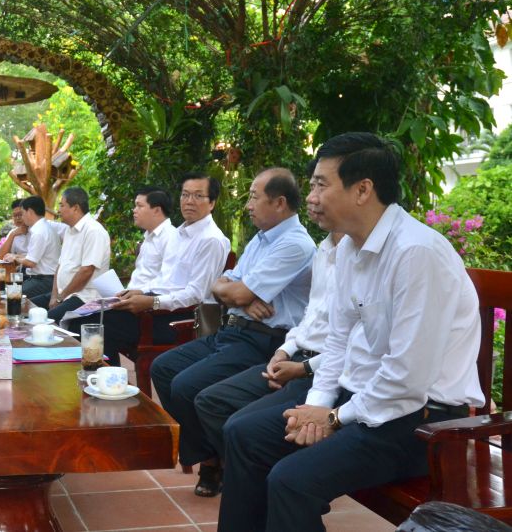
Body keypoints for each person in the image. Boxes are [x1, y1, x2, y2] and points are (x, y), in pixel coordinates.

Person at [218, 133, 484, 532]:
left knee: (291, 481)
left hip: (423, 423)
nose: (311, 197)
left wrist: (334, 418)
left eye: (321, 184)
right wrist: (317, 405)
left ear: (363, 190)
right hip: (363, 402)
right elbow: (339, 342)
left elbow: (406, 379)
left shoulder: (416, 253)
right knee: (243, 434)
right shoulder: (348, 250)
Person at [150, 167, 315, 497]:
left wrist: (239, 293)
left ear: (280, 202)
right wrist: (238, 293)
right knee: (163, 368)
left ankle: (223, 463)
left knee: (188, 385)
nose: (248, 205)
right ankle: (213, 455)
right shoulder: (260, 238)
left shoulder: (295, 244)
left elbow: (235, 293)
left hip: (265, 340)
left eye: (254, 197)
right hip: (233, 330)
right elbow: (221, 287)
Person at [192, 225, 344, 486]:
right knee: (209, 400)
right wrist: (282, 352)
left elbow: (349, 344)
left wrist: (303, 369)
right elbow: (310, 316)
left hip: (313, 364)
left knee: (239, 427)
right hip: (290, 353)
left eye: (321, 185)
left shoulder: (299, 244)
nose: (313, 197)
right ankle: (240, 471)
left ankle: (252, 475)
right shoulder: (323, 248)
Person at [72, 178, 230, 366]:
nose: (189, 201)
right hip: (155, 307)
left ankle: (107, 383)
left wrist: (152, 301)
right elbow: (164, 280)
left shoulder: (211, 240)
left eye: (198, 195)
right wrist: (138, 292)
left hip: (177, 319)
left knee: (96, 327)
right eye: (185, 194)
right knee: (86, 319)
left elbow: (197, 295)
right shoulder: (180, 234)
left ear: (212, 203)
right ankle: (103, 380)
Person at [29, 187, 111, 322]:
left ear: (75, 208)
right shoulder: (69, 230)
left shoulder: (93, 231)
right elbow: (60, 267)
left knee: (43, 322)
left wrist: (60, 298)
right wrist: (54, 297)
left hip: (85, 297)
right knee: (26, 307)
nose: (58, 210)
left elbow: (86, 271)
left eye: (62, 205)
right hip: (64, 294)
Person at [3, 196, 61, 299]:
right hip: (40, 278)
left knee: (11, 295)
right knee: (9, 290)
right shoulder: (43, 227)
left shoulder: (39, 231)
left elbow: (30, 263)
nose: (22, 217)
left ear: (29, 211)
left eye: (22, 213)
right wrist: (15, 256)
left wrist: (15, 258)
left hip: (45, 280)